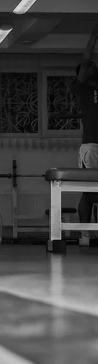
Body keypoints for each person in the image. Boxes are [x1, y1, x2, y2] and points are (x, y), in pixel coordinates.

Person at [74, 24, 98, 247]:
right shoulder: (81, 89)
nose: (93, 66)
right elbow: (85, 58)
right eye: (89, 66)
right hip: (90, 147)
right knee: (88, 192)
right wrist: (92, 37)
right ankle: (84, 235)